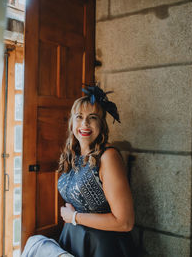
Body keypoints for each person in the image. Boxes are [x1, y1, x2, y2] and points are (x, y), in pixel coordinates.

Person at [57, 85, 136, 257]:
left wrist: (74, 217)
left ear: (101, 124)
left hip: (103, 247)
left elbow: (125, 222)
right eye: (79, 117)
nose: (84, 123)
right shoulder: (73, 155)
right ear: (72, 123)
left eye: (92, 118)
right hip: (72, 240)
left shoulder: (108, 157)